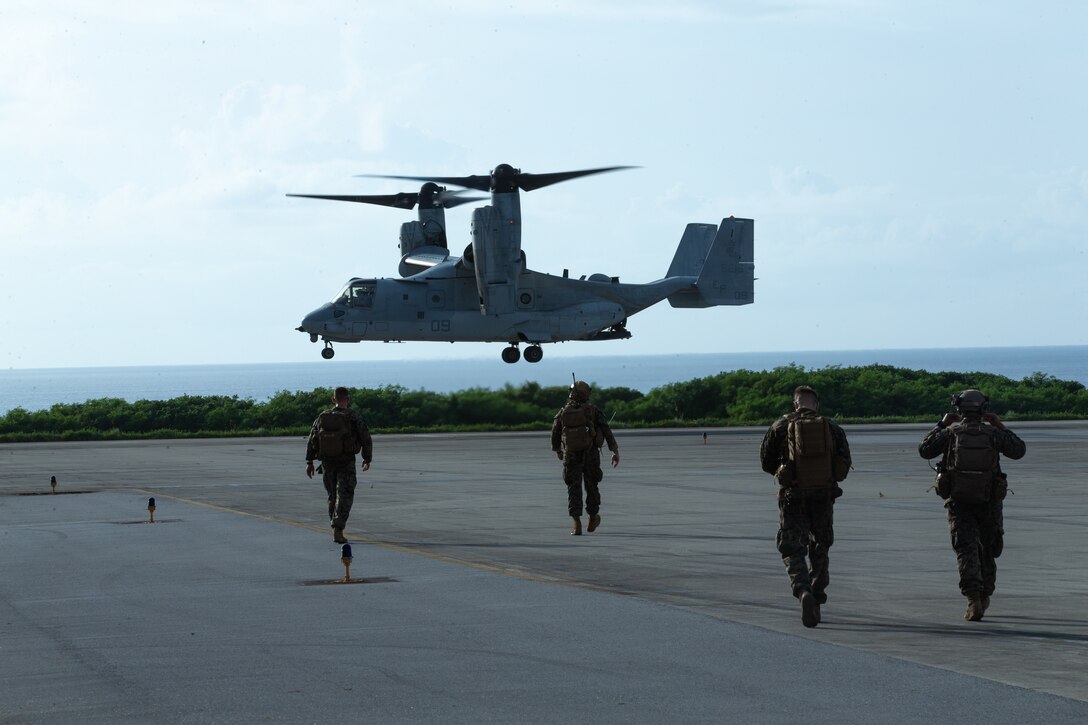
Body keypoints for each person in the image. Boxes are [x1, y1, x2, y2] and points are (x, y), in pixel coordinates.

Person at [918, 389, 1025, 621]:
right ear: (983, 409)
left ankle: (972, 597)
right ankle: (985, 595)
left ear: (958, 409)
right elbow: (1018, 450)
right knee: (988, 550)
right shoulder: (993, 434)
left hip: (959, 501)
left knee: (966, 550)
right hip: (989, 501)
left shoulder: (950, 433)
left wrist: (941, 424)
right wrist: (999, 424)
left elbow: (924, 450)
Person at [759, 385, 851, 628]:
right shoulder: (832, 427)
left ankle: (802, 591)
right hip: (823, 496)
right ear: (816, 405)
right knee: (820, 547)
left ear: (795, 404)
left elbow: (766, 462)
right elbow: (844, 464)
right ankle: (817, 597)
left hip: (792, 497)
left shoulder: (780, 426)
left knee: (792, 548)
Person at [551, 380, 619, 535]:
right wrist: (614, 451)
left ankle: (576, 523)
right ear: (587, 393)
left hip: (571, 455)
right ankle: (593, 517)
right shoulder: (593, 411)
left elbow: (555, 431)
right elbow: (606, 430)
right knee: (592, 487)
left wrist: (558, 450)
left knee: (573, 488)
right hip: (591, 454)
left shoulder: (564, 412)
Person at [306, 386, 373, 544]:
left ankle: (334, 527)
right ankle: (338, 528)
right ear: (348, 399)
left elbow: (312, 438)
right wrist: (367, 458)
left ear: (333, 399)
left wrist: (309, 462)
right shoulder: (353, 416)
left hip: (327, 462)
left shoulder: (323, 416)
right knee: (345, 495)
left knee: (332, 496)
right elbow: (366, 437)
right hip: (346, 461)